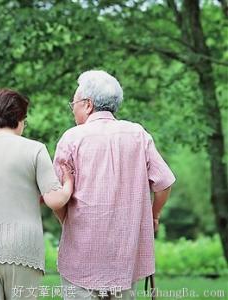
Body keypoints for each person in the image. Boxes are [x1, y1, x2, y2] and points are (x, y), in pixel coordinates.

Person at [53, 70, 176, 299]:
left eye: (74, 103)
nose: (73, 109)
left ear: (88, 105)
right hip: (125, 259)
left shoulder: (72, 138)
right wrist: (154, 215)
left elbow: (56, 196)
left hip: (81, 257)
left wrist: (65, 220)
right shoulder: (138, 134)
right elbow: (164, 183)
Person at [0, 88, 74, 299]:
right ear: (19, 118)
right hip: (21, 246)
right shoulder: (34, 149)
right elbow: (55, 200)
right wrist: (68, 183)